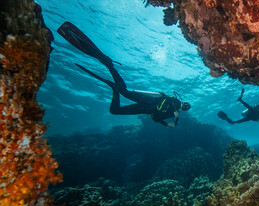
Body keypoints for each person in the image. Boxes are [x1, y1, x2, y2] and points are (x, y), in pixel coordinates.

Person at [57, 21, 190, 127]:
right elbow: (156, 118)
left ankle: (110, 67)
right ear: (183, 109)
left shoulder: (174, 101)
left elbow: (160, 100)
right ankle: (112, 78)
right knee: (115, 110)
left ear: (183, 102)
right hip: (145, 107)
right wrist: (173, 121)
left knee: (124, 93)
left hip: (147, 102)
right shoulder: (174, 111)